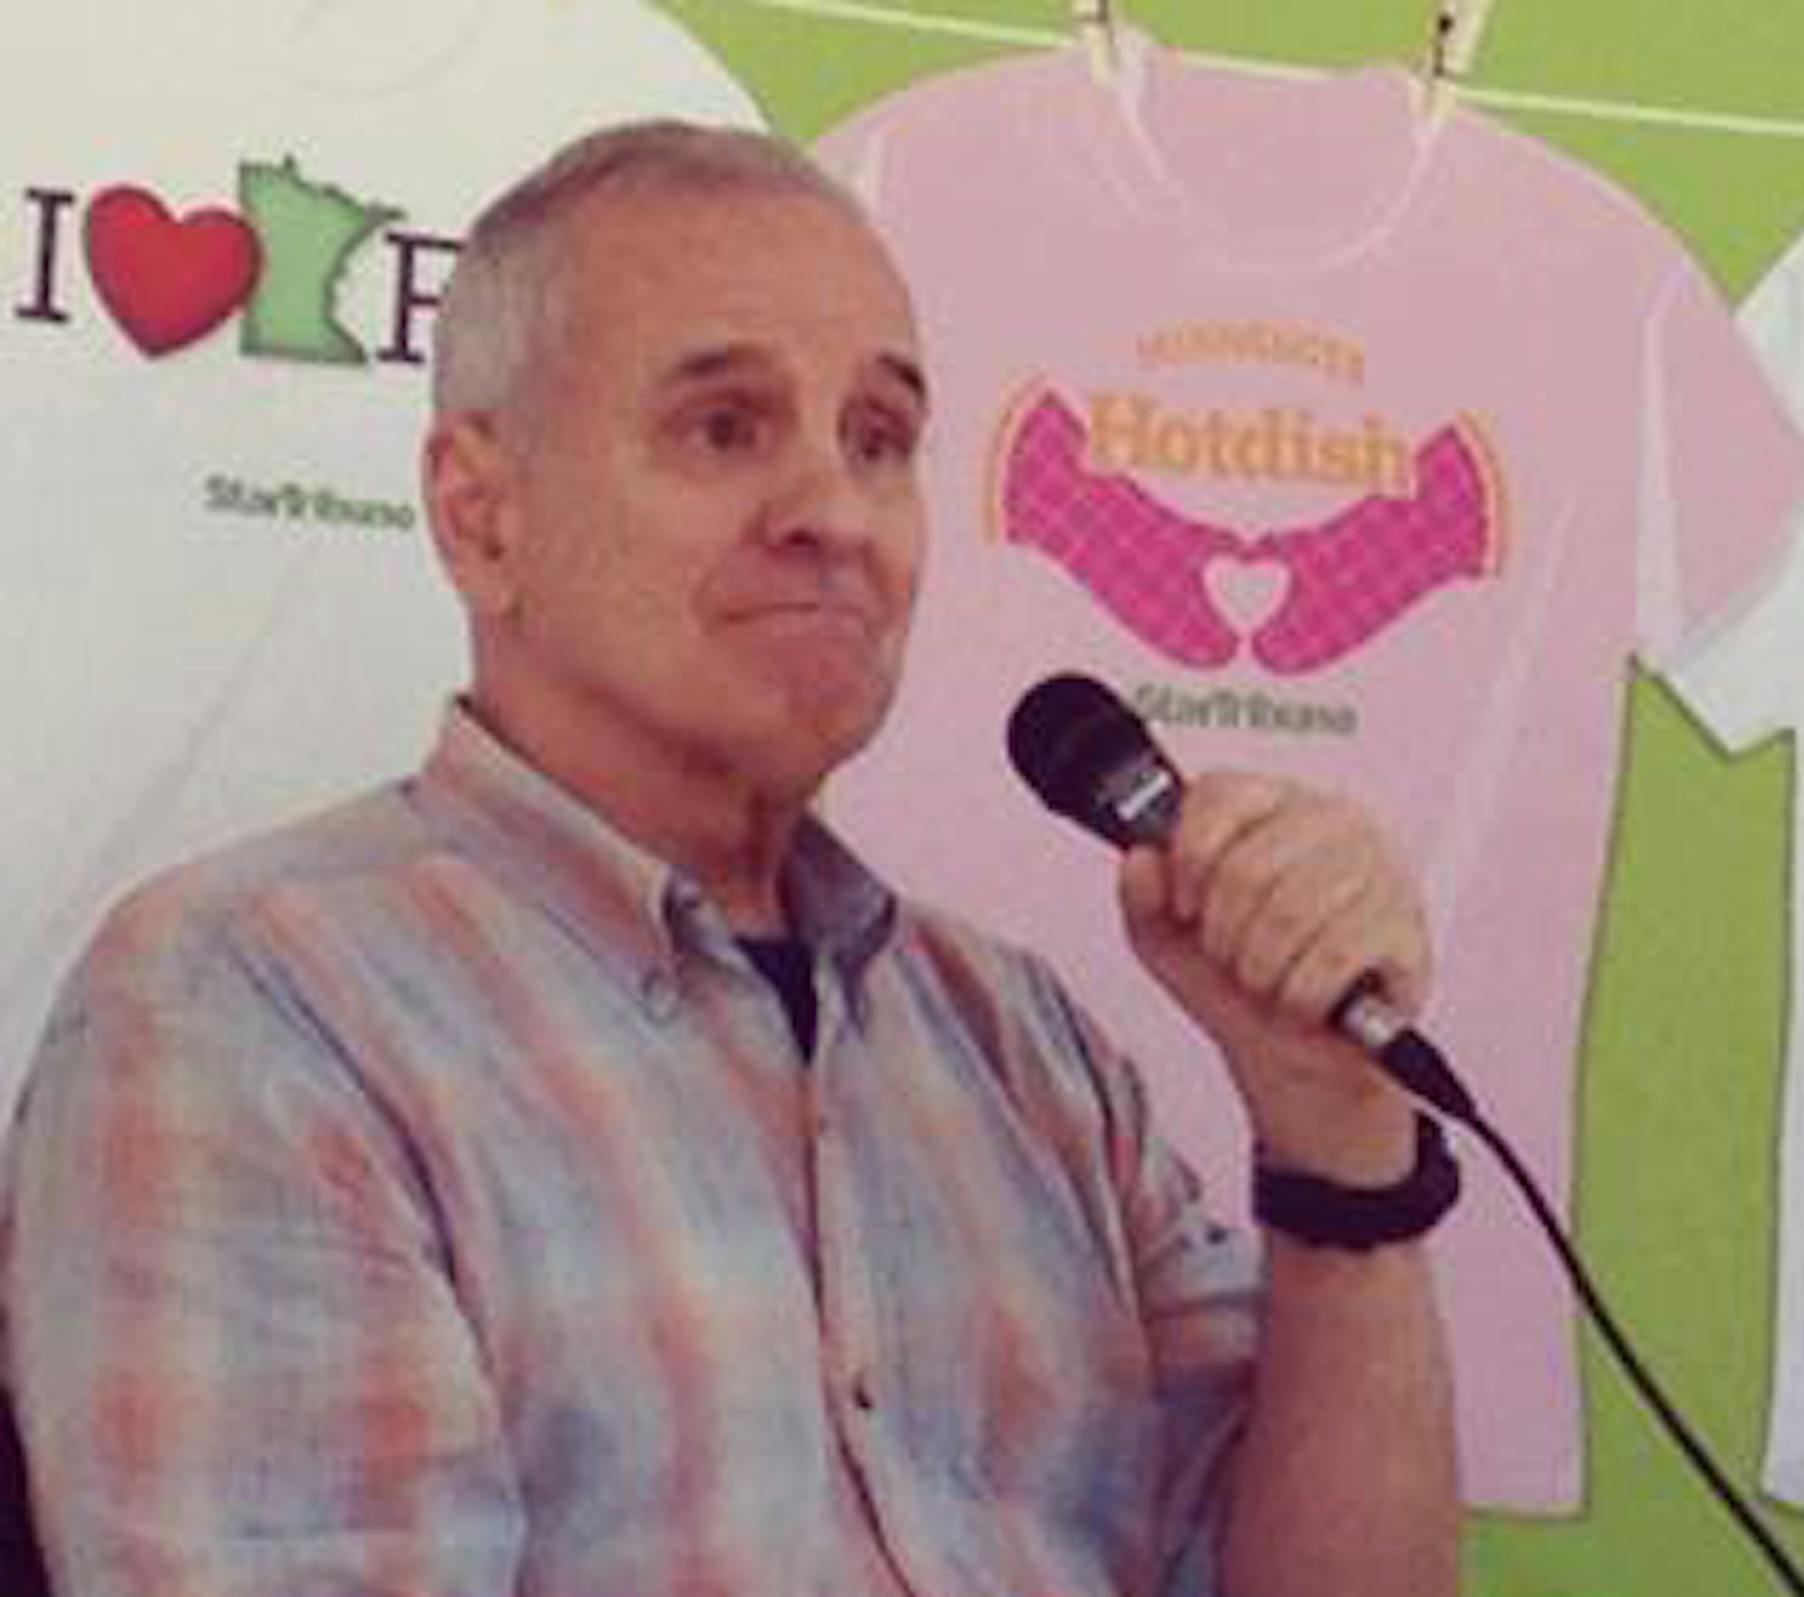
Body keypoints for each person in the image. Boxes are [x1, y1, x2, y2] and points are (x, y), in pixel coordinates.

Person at [0, 122, 1462, 1597]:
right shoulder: (249, 1009)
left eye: (877, 439)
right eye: (724, 428)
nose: (834, 513)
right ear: (480, 516)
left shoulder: (1029, 1047)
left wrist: (1336, 1135)